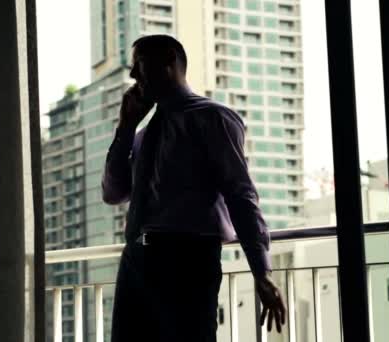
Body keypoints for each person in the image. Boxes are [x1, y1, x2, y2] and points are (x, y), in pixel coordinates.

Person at [102, 34, 286, 342]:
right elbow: (113, 193)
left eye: (139, 65)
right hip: (136, 260)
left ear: (170, 62)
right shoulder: (143, 134)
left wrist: (261, 272)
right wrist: (125, 127)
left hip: (186, 262)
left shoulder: (211, 118)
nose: (132, 75)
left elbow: (240, 194)